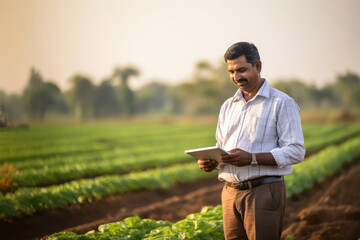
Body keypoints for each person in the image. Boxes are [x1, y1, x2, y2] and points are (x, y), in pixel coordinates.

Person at [197, 42, 305, 240]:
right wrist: (212, 162)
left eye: (241, 70)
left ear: (258, 66)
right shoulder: (228, 106)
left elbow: (296, 151)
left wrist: (253, 158)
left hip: (263, 192)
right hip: (229, 192)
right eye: (231, 72)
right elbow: (222, 148)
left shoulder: (281, 103)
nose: (236, 77)